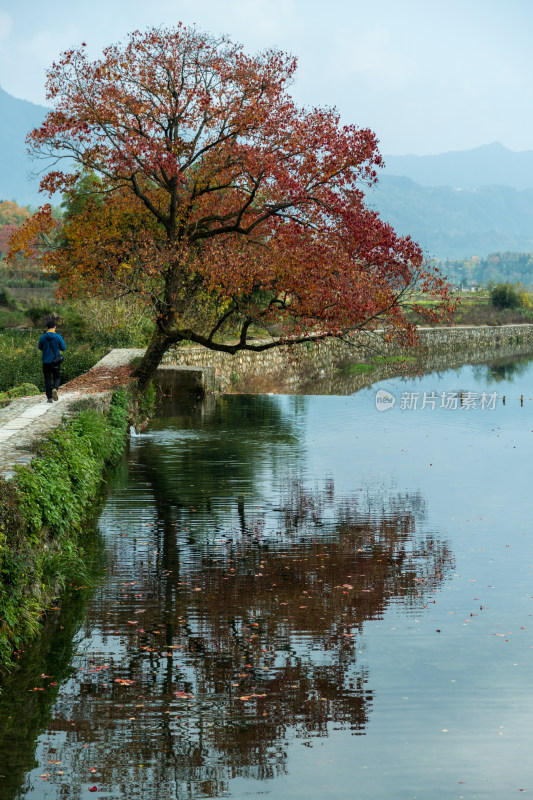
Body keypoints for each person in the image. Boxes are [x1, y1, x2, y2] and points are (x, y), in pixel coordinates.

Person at [38, 315, 66, 403]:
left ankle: (49, 398)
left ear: (47, 327)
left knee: (47, 379)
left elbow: (40, 347)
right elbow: (63, 348)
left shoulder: (42, 337)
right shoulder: (58, 337)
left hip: (45, 361)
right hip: (55, 361)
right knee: (57, 377)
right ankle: (55, 389)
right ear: (55, 327)